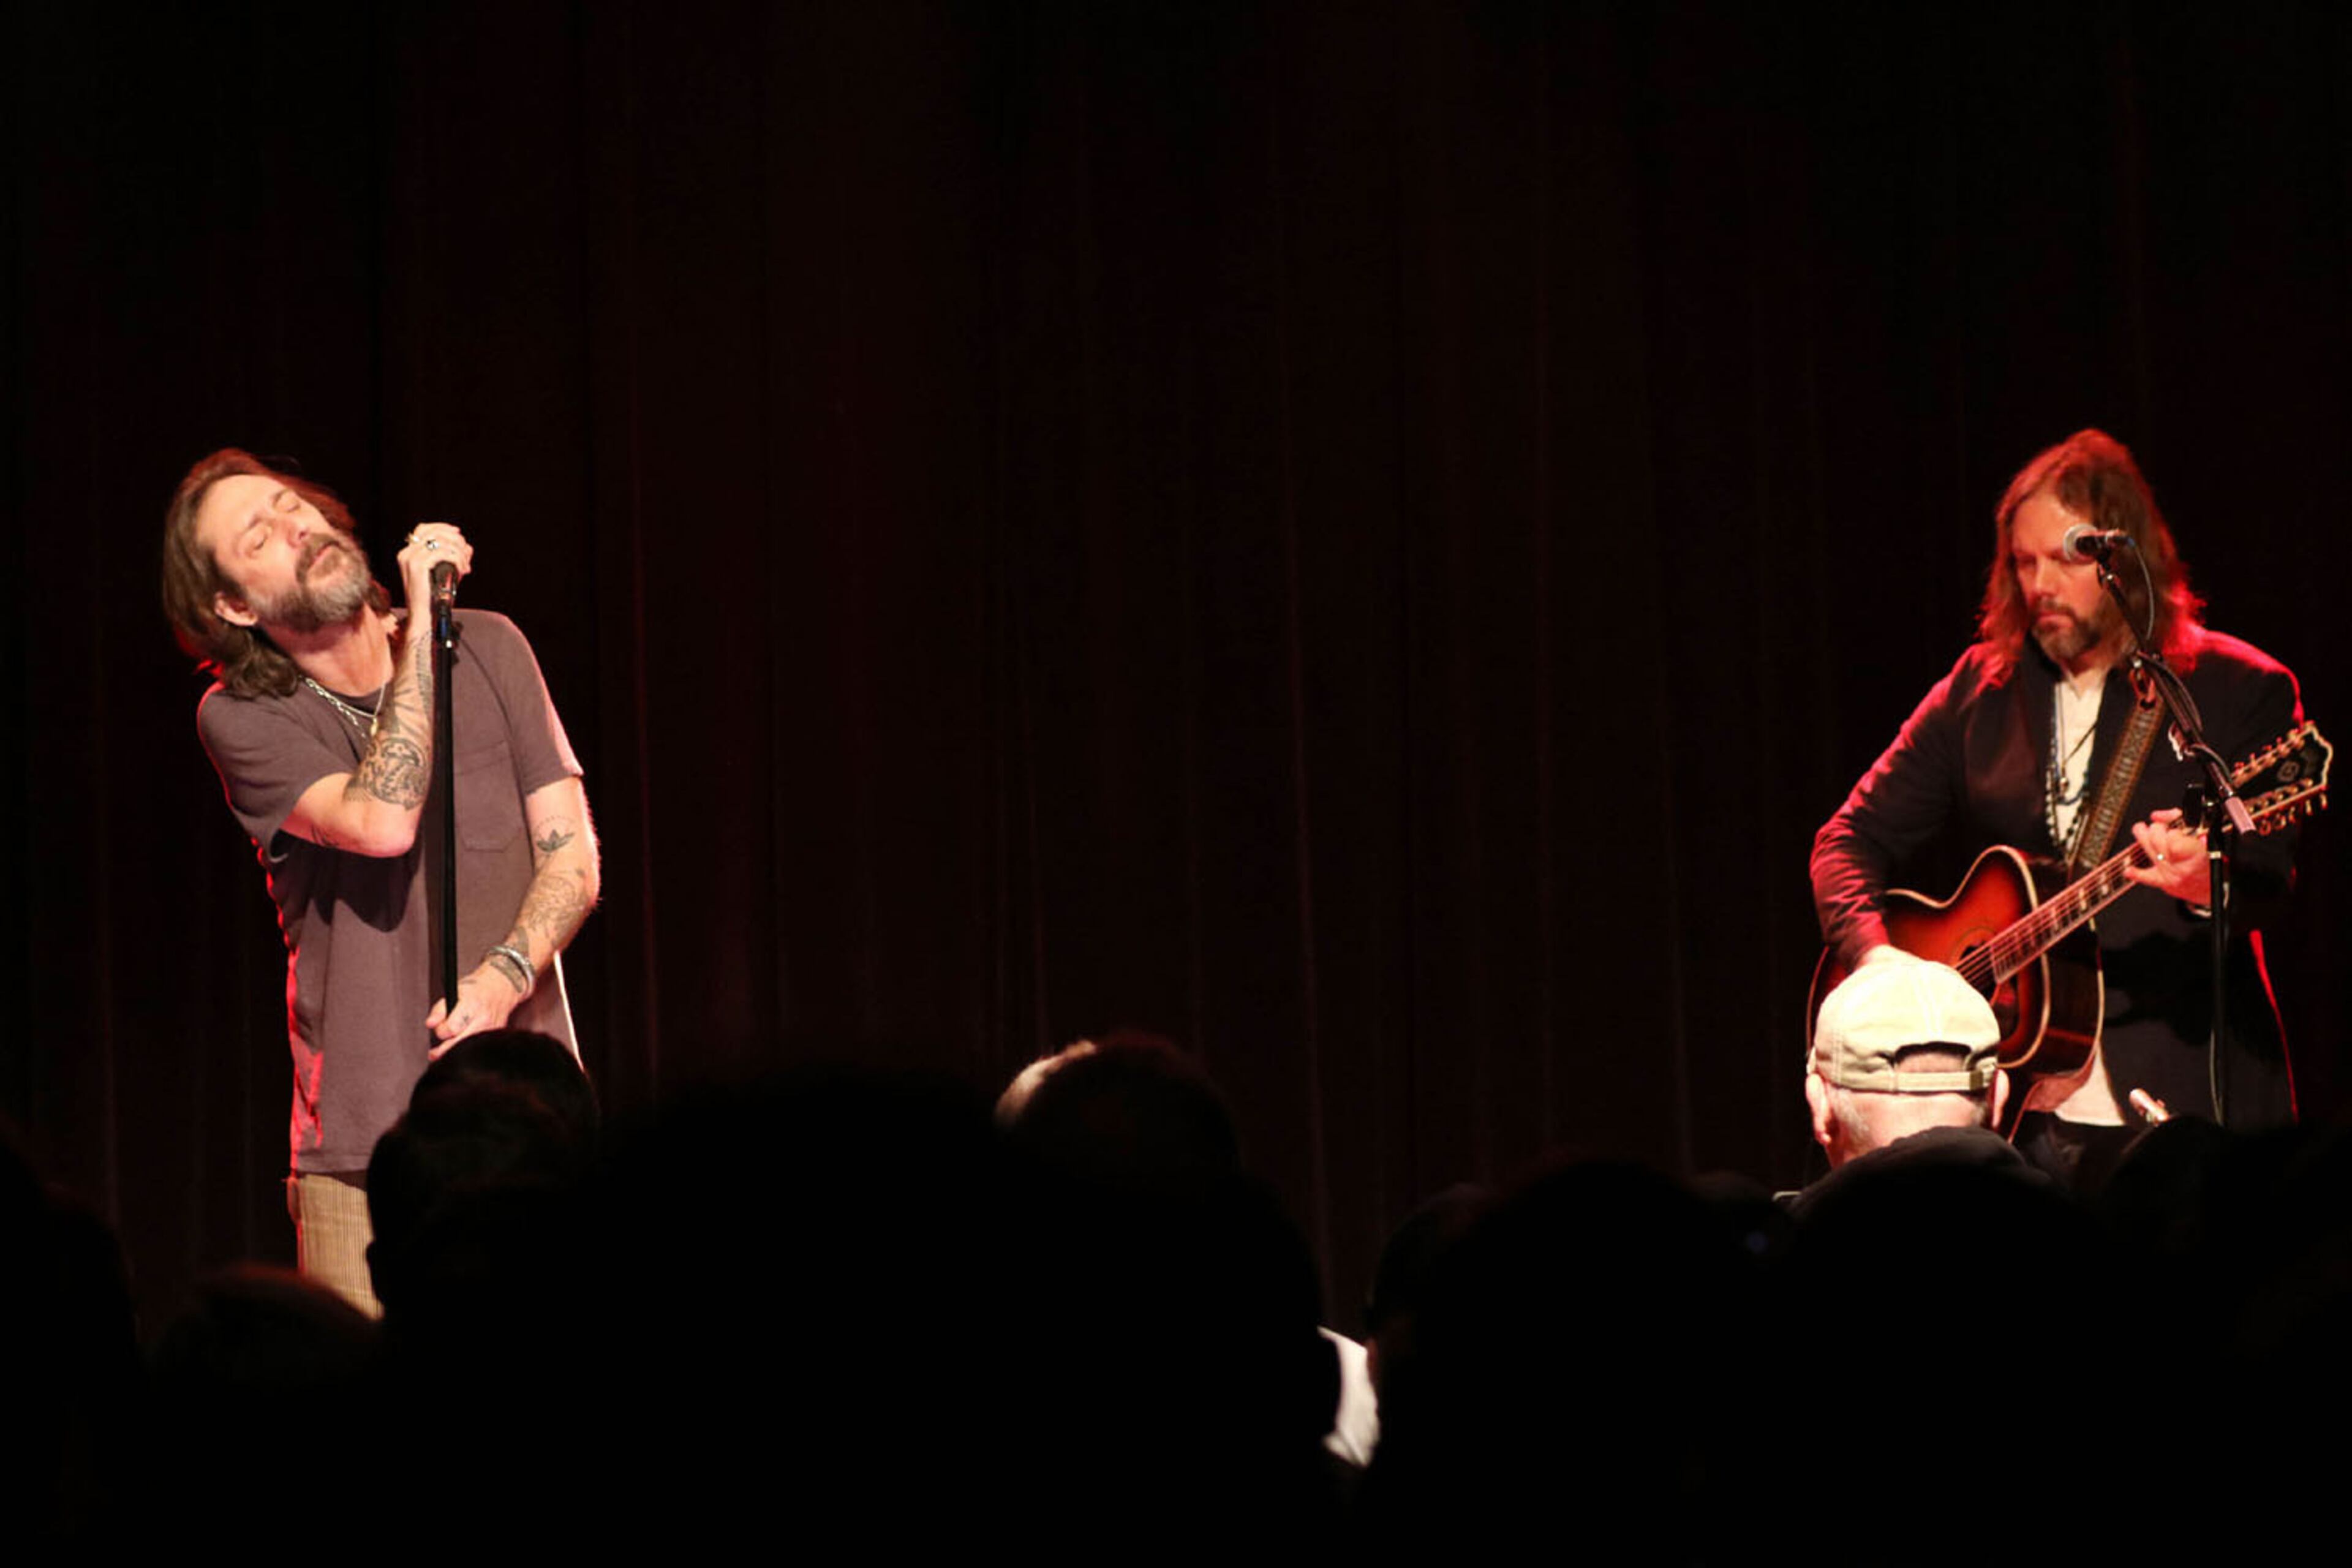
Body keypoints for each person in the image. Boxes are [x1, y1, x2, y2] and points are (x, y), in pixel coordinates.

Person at [162, 450, 598, 1313]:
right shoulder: (244, 718)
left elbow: (574, 855)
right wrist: (424, 642)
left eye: (296, 508)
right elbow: (382, 821)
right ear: (234, 606)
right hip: (361, 1156)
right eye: (261, 536)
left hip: (529, 1122)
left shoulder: (497, 645)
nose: (298, 528)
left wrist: (506, 975)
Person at [1811, 429, 2304, 1190]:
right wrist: (1880, 964)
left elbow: (2271, 876)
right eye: (2023, 561)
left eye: (2066, 558)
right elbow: (1846, 839)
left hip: (2186, 1107)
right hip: (2022, 1123)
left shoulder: (2236, 688)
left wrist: (2205, 883)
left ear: (2122, 554)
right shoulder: (1983, 691)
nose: (2039, 583)